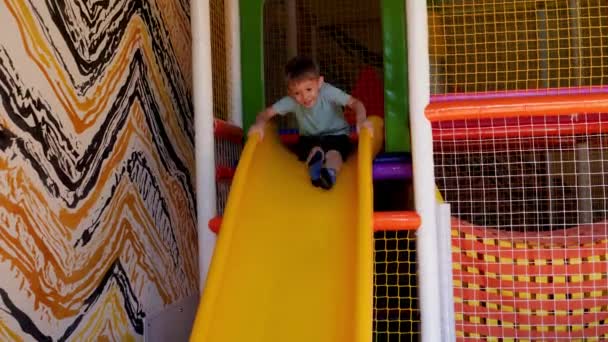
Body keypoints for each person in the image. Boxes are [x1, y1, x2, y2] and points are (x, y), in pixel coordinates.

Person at [248, 56, 372, 190]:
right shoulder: (291, 101)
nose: (305, 97)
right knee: (319, 150)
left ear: (320, 83)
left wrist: (362, 119)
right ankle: (323, 165)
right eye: (297, 93)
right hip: (309, 138)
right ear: (290, 92)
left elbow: (355, 103)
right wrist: (259, 124)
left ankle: (326, 171)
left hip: (337, 135)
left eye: (308, 89)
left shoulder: (328, 91)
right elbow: (265, 113)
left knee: (335, 152)